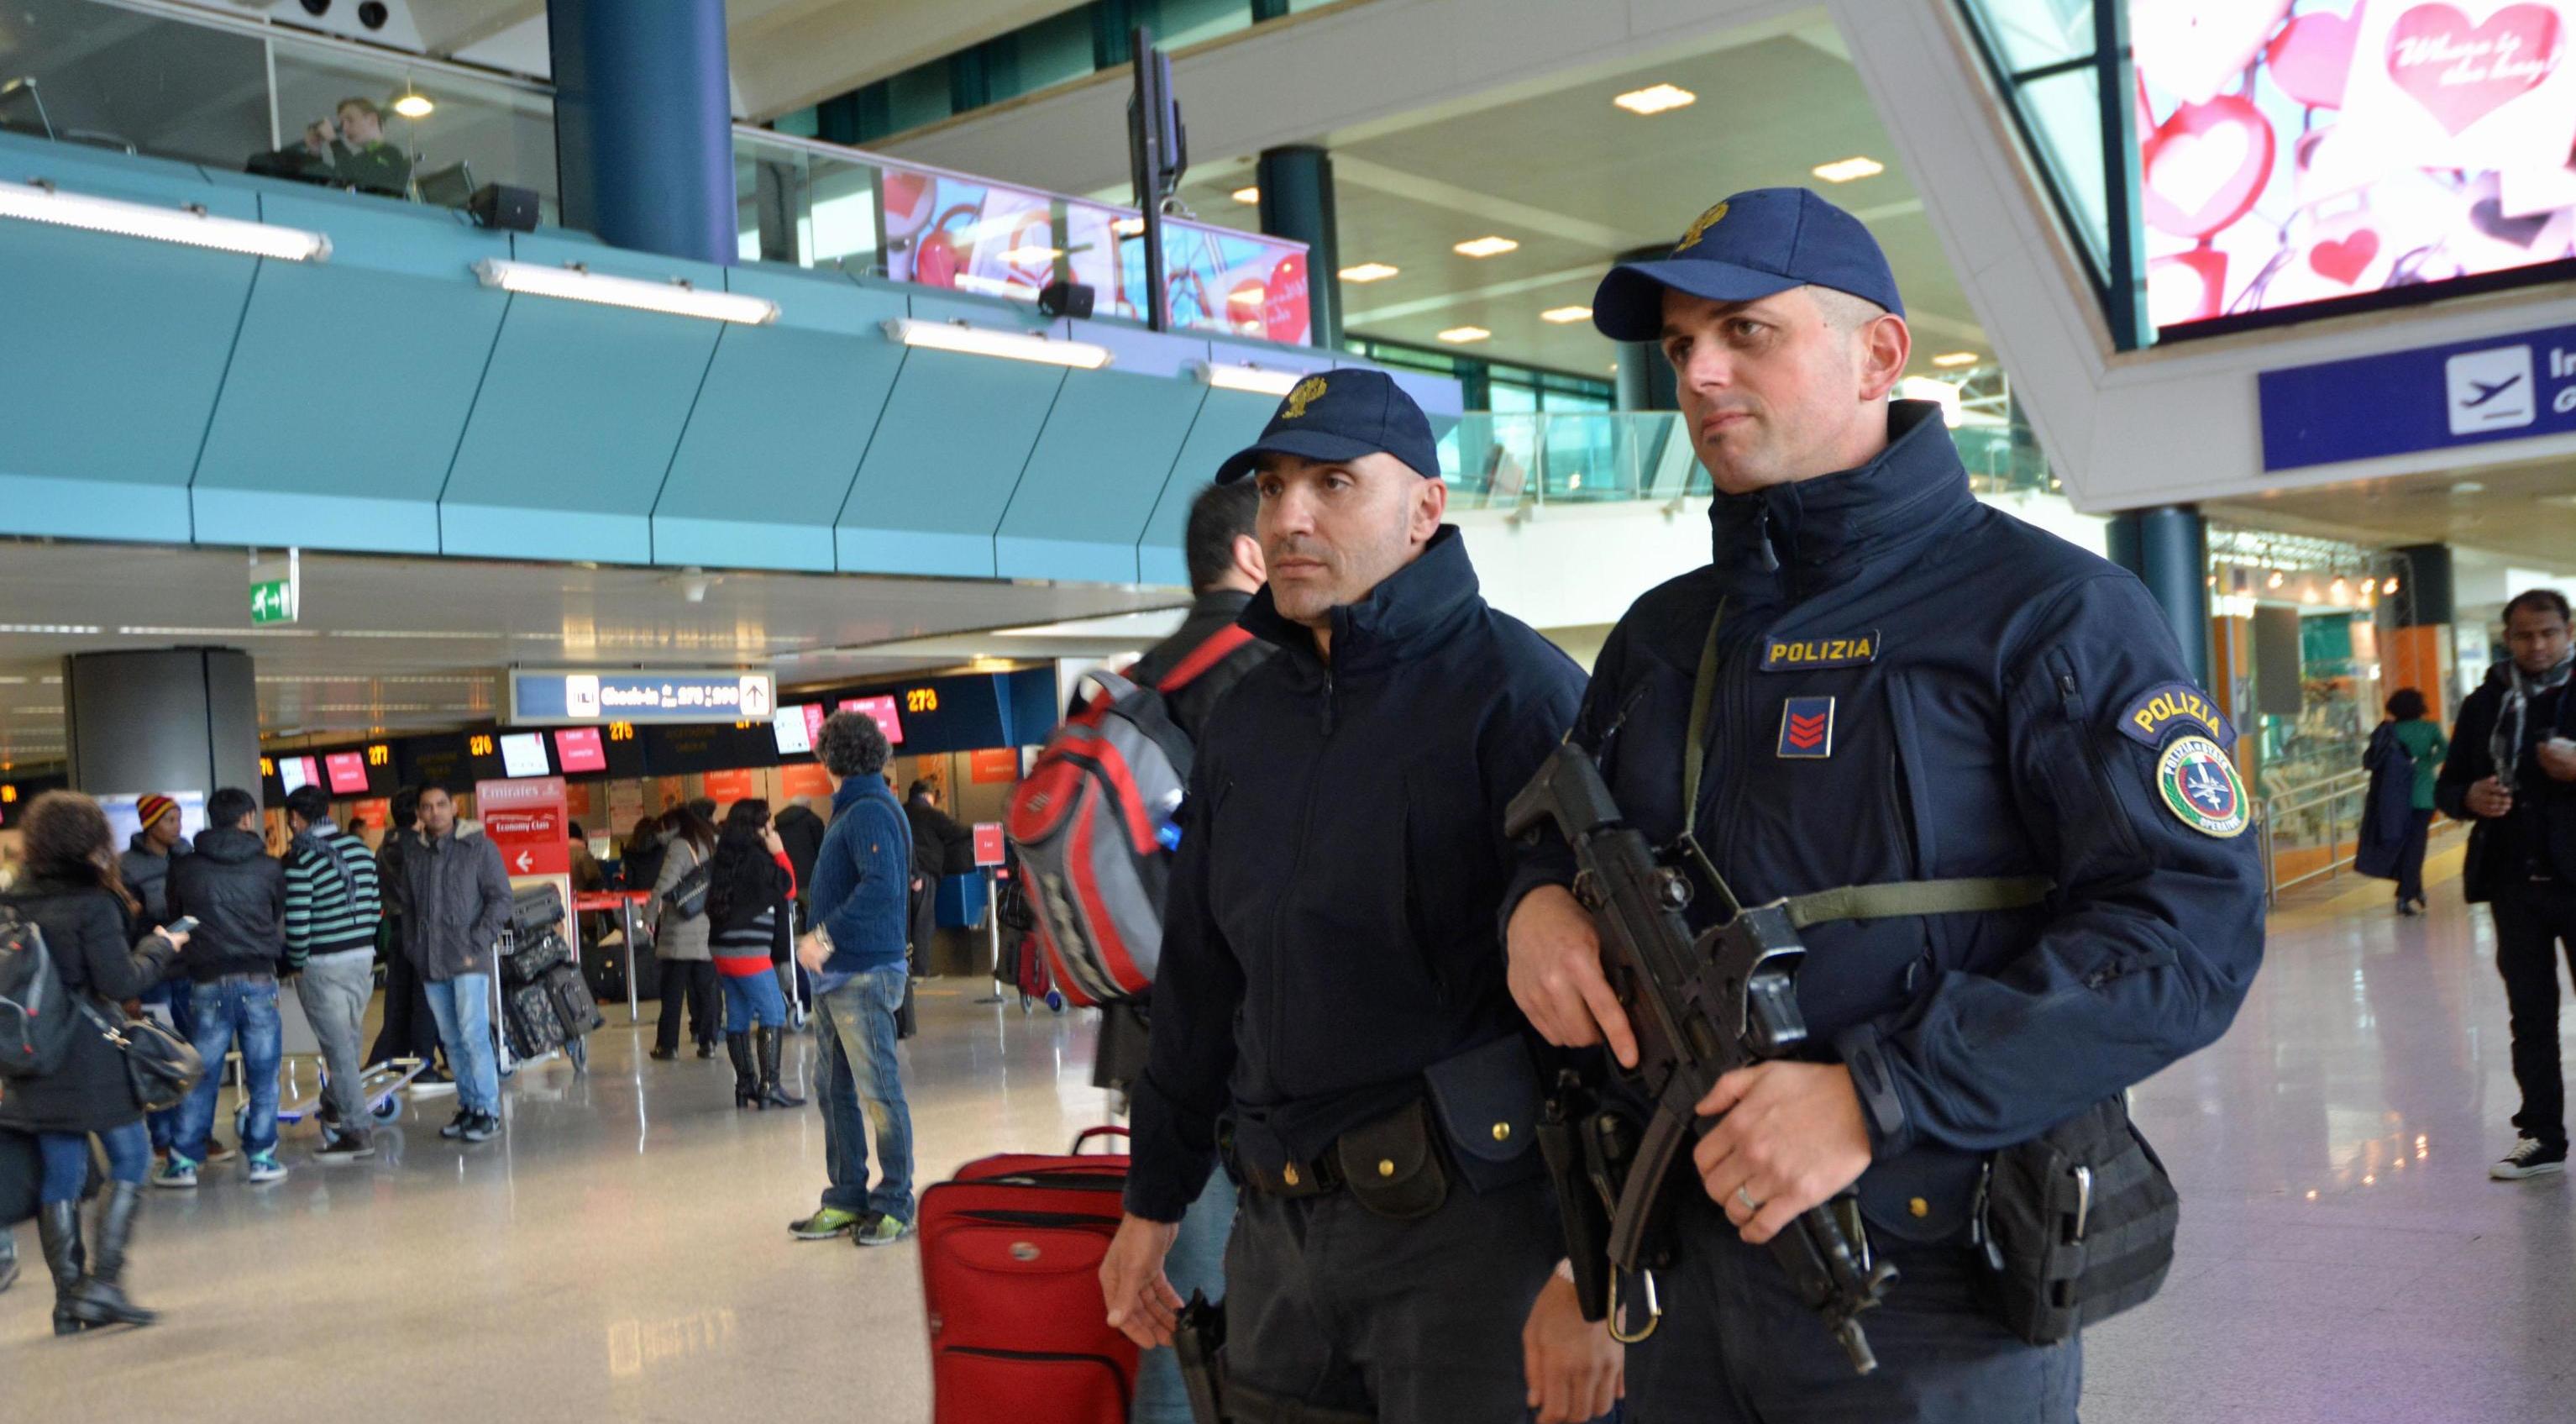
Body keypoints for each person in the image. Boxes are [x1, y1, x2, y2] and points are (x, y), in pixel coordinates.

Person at [1503, 187, 2267, 1422]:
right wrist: (1531, 903)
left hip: (1925, 1283)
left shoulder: (2048, 612)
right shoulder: (1661, 634)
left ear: (1878, 354)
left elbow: (2186, 935)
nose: (1696, 371)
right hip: (1681, 1271)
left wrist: (1879, 1091)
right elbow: (1567, 836)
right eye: (1678, 344)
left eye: (1745, 332)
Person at [1097, 369, 1612, 1424]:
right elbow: (1200, 977)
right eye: (1276, 485)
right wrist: (1153, 1201)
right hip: (1277, 1242)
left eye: (1334, 483)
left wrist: (1592, 1274)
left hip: (1473, 1248)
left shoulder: (1518, 694)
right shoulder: (1248, 720)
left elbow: (1610, 1019)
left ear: (1425, 507)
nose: (1289, 515)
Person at [1089, 477, 1273, 1424]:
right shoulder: (1254, 671)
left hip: (1148, 1032)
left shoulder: (1148, 674)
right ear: (1250, 555)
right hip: (1234, 1040)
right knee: (1198, 1297)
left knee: (1177, 1283)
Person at [0, 792, 186, 1334]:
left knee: (62, 1170)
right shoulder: (93, 900)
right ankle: (103, 1285)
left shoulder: (13, 900)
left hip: (34, 1054)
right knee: (131, 1158)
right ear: (91, 841)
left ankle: (68, 1301)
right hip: (90, 1053)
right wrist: (161, 946)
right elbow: (119, 983)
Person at [2437, 589, 2576, 1181]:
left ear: (2569, 631)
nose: (2536, 645)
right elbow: (2448, 787)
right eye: (2523, 635)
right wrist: (2467, 796)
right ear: (2507, 637)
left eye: (2546, 632)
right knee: (2530, 1012)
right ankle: (2540, 1135)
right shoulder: (2483, 702)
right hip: (2513, 880)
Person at [790, 712, 916, 1247]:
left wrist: (825, 935)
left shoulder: (867, 810)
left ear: (827, 762)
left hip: (860, 973)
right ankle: (846, 1196)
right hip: (839, 978)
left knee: (878, 1091)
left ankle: (894, 1202)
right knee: (833, 1088)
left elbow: (883, 887)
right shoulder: (860, 808)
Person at [160, 786, 290, 1189]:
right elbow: (275, 915)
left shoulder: (185, 868)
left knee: (201, 1074)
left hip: (205, 981)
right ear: (248, 818)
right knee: (263, 1074)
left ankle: (182, 1161)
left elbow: (176, 918)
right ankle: (262, 1158)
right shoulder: (269, 868)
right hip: (257, 979)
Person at [396, 786, 512, 1143]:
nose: (435, 813)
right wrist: (415, 948)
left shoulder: (478, 848)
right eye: (427, 807)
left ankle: (488, 1110)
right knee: (451, 1039)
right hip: (431, 962)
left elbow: (501, 899)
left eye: (441, 805)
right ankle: (470, 1106)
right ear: (419, 812)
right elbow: (409, 907)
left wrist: (476, 941)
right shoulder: (414, 854)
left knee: (474, 1034)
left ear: (455, 807)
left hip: (468, 960)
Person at [281, 785, 384, 1163]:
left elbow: (298, 922)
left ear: (294, 819)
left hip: (323, 967)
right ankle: (335, 1104)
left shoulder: (301, 859)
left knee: (339, 1052)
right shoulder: (359, 849)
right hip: (361, 960)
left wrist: (296, 962)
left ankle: (357, 1131)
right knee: (349, 1042)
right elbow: (374, 907)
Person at [118, 795, 217, 1164]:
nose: (177, 827)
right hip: (152, 974)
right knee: (158, 1054)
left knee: (198, 1053)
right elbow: (125, 930)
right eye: (169, 820)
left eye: (178, 819)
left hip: (190, 970)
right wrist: (130, 988)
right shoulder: (126, 868)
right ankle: (162, 1136)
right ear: (150, 824)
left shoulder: (189, 859)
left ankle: (197, 1134)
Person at [707, 799, 804, 1111]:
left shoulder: (726, 855)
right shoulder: (759, 859)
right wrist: (779, 850)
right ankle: (769, 1087)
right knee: (774, 1012)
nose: (772, 829)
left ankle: (744, 1085)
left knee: (738, 1015)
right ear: (758, 827)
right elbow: (788, 888)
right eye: (769, 825)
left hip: (722, 949)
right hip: (749, 950)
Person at [368, 787, 449, 1093]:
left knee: (399, 1001)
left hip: (397, 931)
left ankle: (390, 1060)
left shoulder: (384, 846)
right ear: (417, 813)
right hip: (422, 930)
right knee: (425, 1001)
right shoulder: (420, 848)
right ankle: (423, 1064)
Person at [2359, 689, 2447, 916]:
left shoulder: (2390, 731)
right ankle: (2405, 895)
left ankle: (2414, 889)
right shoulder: (2430, 728)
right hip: (2424, 796)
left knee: (2405, 845)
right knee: (2416, 846)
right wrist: (2427, 761)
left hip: (2394, 797)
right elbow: (2447, 751)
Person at [648, 803, 721, 1061]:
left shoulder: (680, 846)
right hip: (708, 926)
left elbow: (664, 884)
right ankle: (709, 1042)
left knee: (673, 992)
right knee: (707, 989)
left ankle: (667, 1046)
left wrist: (648, 916)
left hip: (680, 929)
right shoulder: (713, 841)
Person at [902, 780, 972, 973]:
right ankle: (921, 969)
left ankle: (905, 969)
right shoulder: (930, 814)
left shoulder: (900, 812)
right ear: (927, 796)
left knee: (906, 924)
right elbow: (956, 831)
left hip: (901, 876)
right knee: (923, 923)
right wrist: (980, 830)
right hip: (923, 874)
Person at [302, 97, 411, 196]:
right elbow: (327, 179)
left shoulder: (389, 153)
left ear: (372, 119)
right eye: (342, 124)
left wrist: (333, 140)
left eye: (350, 120)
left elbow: (350, 175)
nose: (344, 129)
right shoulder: (360, 159)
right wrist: (314, 152)